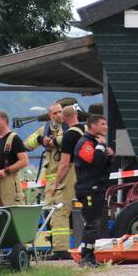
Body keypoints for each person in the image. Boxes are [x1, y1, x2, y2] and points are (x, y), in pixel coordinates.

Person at [44, 104, 83, 259]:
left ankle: (60, 250)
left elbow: (64, 163)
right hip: (84, 173)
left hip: (70, 174)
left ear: (64, 118)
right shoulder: (84, 130)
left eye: (60, 113)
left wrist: (55, 185)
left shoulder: (69, 135)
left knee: (60, 210)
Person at [74, 114, 112, 267]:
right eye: (103, 124)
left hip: (98, 188)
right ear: (93, 126)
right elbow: (95, 161)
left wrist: (109, 155)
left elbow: (102, 163)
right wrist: (102, 147)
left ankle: (91, 257)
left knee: (95, 224)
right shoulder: (85, 143)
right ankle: (86, 258)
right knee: (91, 223)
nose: (106, 127)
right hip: (89, 189)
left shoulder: (96, 143)